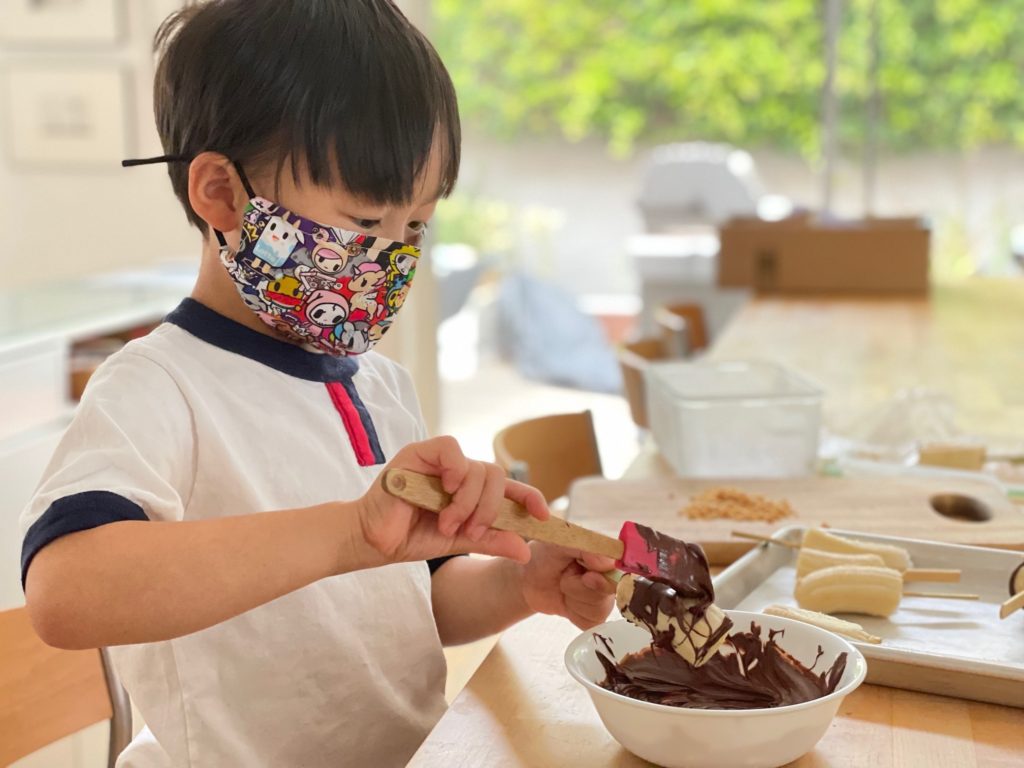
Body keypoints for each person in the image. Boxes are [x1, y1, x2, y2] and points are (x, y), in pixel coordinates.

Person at [18, 2, 616, 766]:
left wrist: (520, 586)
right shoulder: (159, 387)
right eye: (366, 222)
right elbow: (66, 592)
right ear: (223, 196)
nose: (392, 258)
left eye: (416, 228)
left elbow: (412, 603)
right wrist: (347, 533)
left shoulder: (382, 386)